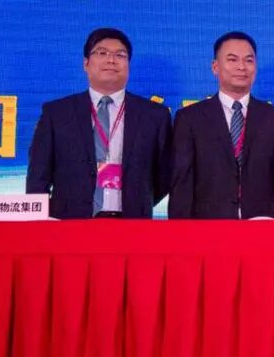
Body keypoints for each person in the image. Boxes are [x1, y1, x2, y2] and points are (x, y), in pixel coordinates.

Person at [27, 27, 171, 218]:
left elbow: (165, 175)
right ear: (86, 63)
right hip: (69, 223)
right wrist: (38, 221)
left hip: (132, 222)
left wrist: (138, 200)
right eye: (102, 53)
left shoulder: (154, 115)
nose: (111, 60)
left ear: (128, 65)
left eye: (120, 55)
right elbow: (38, 175)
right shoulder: (57, 113)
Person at [169, 31, 274, 218]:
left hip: (262, 223)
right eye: (232, 59)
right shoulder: (190, 118)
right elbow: (182, 181)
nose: (241, 67)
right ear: (215, 67)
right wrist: (180, 229)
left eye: (249, 60)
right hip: (208, 224)